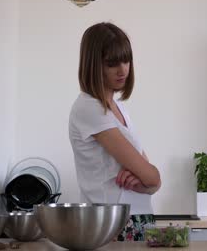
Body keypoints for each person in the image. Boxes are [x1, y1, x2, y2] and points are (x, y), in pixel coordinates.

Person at [69, 22, 161, 217]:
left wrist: (146, 182)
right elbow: (152, 176)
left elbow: (154, 183)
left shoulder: (119, 108)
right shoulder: (90, 108)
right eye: (112, 63)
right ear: (94, 64)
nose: (122, 70)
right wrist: (148, 178)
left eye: (126, 61)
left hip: (136, 218)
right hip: (111, 223)